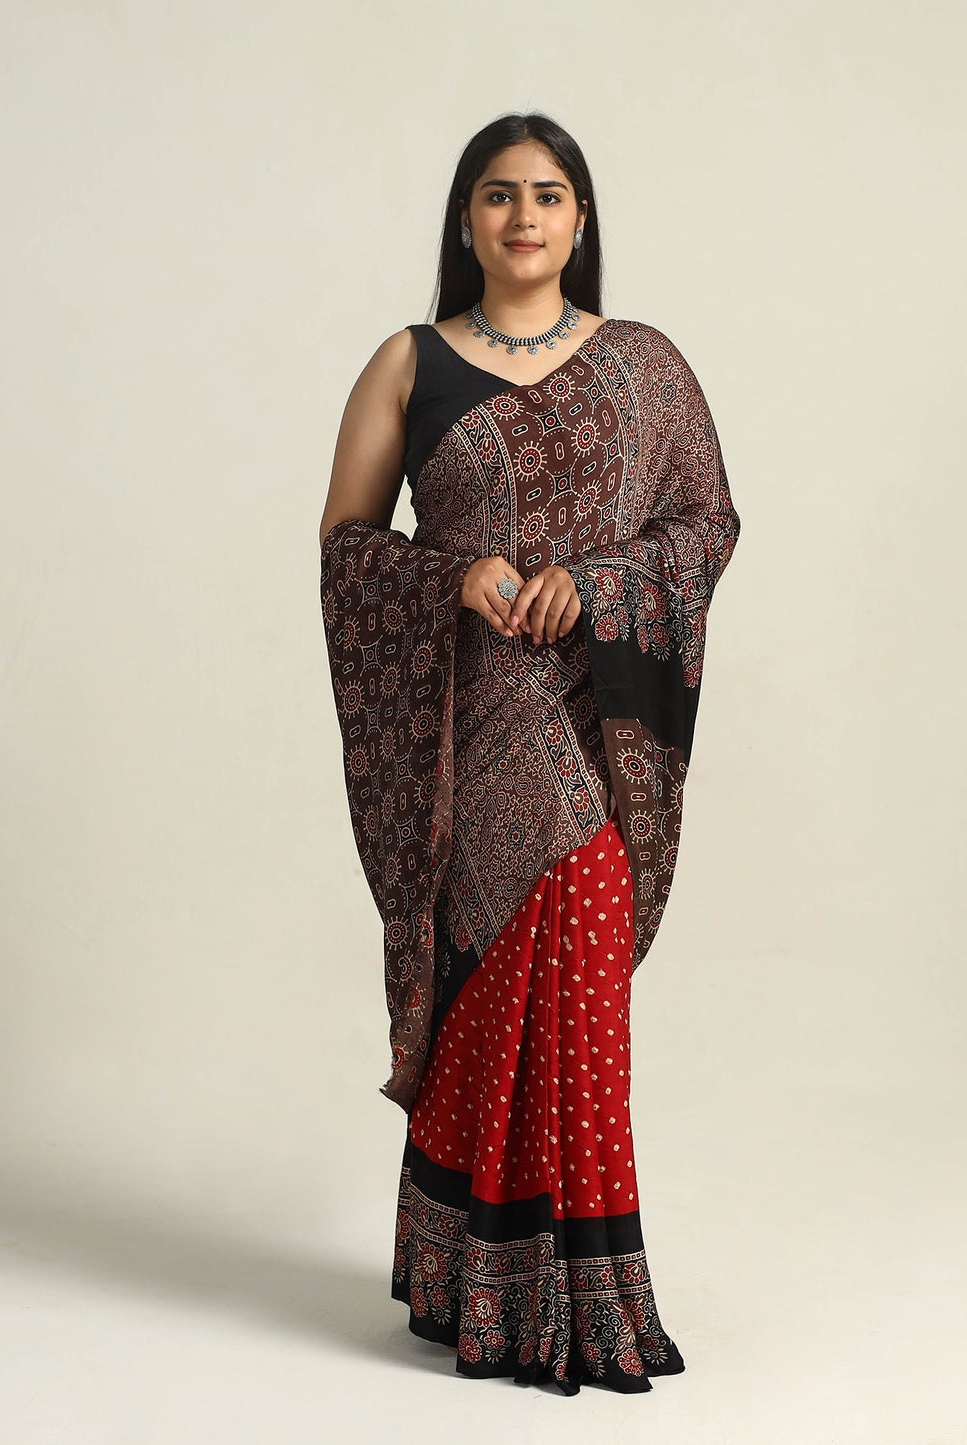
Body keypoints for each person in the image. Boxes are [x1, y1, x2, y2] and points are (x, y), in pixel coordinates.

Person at [317, 112, 741, 1395]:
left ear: (579, 219)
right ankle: (472, 1287)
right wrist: (453, 575)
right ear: (465, 220)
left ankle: (579, 1292)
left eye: (548, 195)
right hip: (470, 733)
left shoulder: (643, 366)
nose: (523, 216)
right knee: (491, 988)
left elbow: (705, 523)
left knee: (583, 976)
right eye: (498, 195)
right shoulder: (406, 364)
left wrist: (598, 580)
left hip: (591, 723)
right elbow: (346, 548)